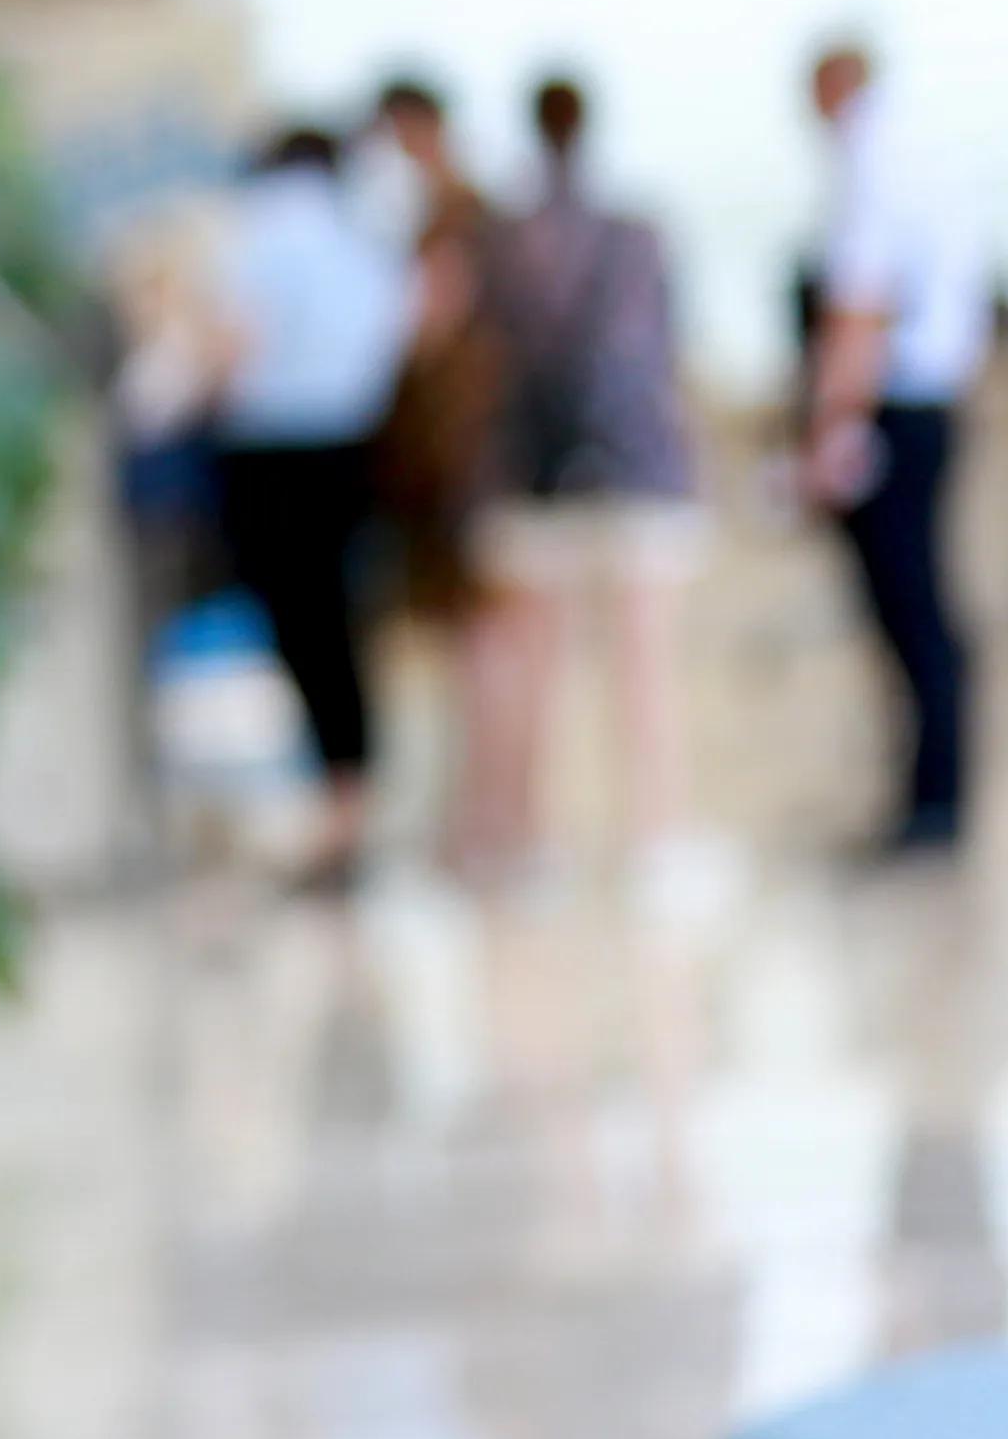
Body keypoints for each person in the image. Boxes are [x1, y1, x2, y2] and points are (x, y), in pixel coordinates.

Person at [458, 76, 702, 877]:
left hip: (534, 477)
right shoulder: (637, 233)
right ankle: (657, 842)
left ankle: (533, 845)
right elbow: (667, 353)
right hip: (635, 471)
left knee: (535, 672)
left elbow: (478, 354)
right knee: (647, 667)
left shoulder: (499, 238)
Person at [211, 126, 411, 889]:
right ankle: (349, 803)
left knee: (304, 632)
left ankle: (338, 810)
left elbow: (235, 343)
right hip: (351, 449)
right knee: (340, 630)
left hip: (273, 453)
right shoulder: (361, 239)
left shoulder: (263, 230)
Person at [802, 39, 981, 853]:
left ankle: (931, 807)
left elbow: (861, 307)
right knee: (926, 611)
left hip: (891, 415)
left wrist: (830, 430)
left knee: (909, 611)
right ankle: (933, 797)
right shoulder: (926, 154)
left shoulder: (872, 161)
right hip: (932, 408)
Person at [364, 75, 503, 649]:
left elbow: (429, 323)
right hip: (444, 435)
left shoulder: (455, 210)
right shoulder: (440, 208)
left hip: (454, 436)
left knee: (471, 614)